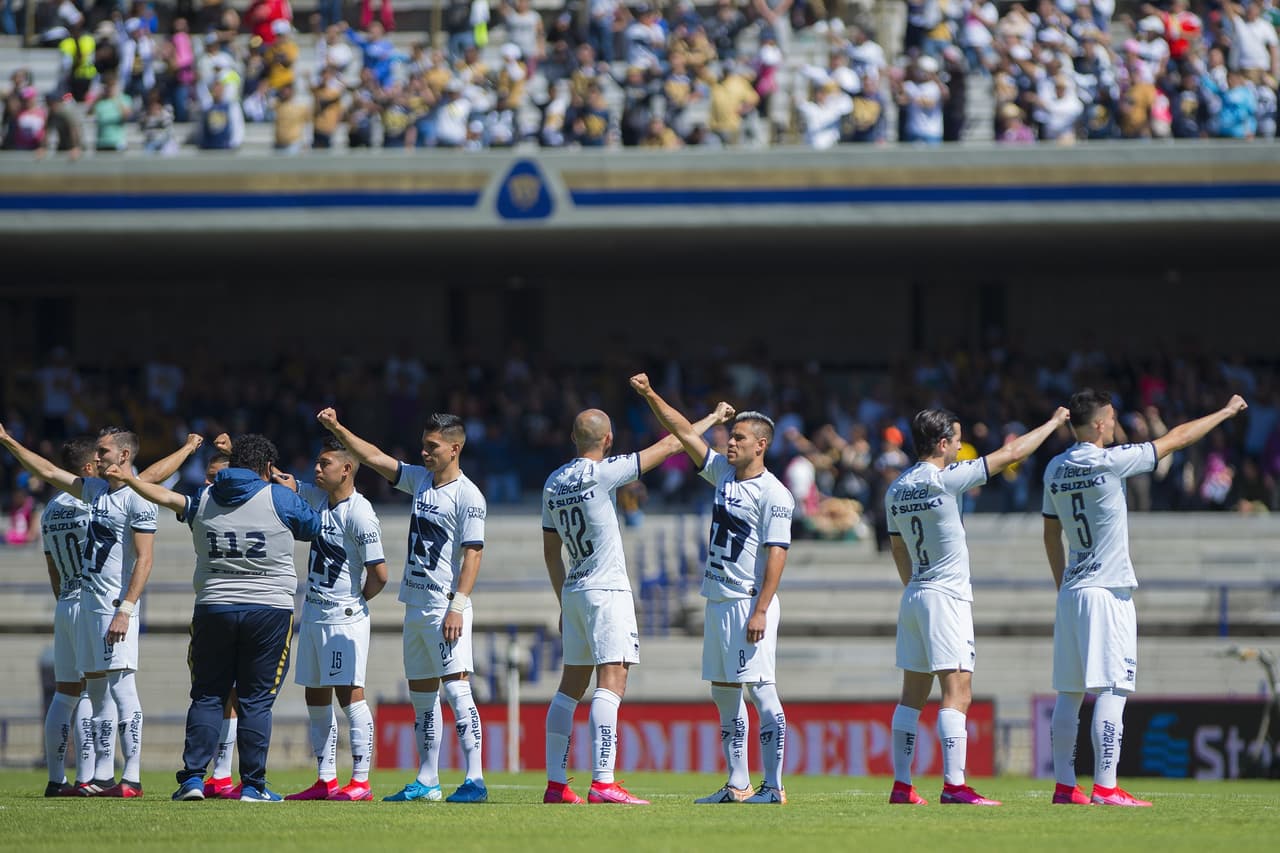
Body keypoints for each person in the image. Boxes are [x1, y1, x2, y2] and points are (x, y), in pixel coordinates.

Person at [1042, 390, 1248, 806]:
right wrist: (1225, 412)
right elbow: (1176, 439)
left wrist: (1063, 583)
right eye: (1113, 417)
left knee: (1068, 692)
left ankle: (1065, 786)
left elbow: (1050, 533)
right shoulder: (1110, 461)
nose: (1116, 424)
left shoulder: (1054, 468)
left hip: (1073, 592)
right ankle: (1105, 787)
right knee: (1113, 690)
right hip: (1108, 592)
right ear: (1099, 424)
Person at [106, 434, 322, 802]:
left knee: (207, 695)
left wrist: (131, 481)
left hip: (213, 607)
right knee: (256, 700)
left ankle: (192, 779)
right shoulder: (279, 497)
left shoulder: (204, 497)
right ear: (267, 468)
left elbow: (168, 498)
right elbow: (313, 528)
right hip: (269, 611)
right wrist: (289, 488)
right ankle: (253, 786)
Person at [541, 400, 734, 805]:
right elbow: (671, 445)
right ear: (608, 439)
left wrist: (562, 600)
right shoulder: (605, 472)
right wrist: (714, 419)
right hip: (607, 590)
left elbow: (549, 551)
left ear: (574, 438)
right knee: (612, 682)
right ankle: (603, 782)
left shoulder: (553, 482)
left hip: (573, 591)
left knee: (569, 689)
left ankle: (557, 784)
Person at [0, 425, 203, 798]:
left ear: (124, 457)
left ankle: (134, 777)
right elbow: (47, 471)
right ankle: (103, 777)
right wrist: (9, 441)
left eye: (104, 452)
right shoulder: (94, 490)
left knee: (123, 690)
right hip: (89, 606)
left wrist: (126, 608)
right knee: (96, 693)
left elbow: (145, 559)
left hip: (114, 606)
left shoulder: (137, 499)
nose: (97, 458)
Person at [885, 406, 1070, 807]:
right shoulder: (947, 480)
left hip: (915, 593)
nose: (960, 446)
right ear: (942, 443)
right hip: (945, 597)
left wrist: (915, 588)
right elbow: (1011, 453)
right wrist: (1054, 424)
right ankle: (954, 785)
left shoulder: (895, 489)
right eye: (956, 439)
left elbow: (898, 549)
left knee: (911, 696)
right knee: (958, 691)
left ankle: (902, 785)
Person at [630, 374, 793, 805]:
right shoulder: (722, 473)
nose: (729, 442)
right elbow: (682, 431)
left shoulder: (774, 493)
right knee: (724, 692)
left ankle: (773, 787)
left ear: (761, 445)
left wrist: (761, 609)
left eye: (738, 437)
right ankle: (737, 784)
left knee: (761, 689)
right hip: (718, 600)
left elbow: (777, 553)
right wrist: (650, 394)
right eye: (729, 435)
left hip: (747, 603)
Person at [317, 408, 489, 804]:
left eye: (432, 447)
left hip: (445, 607)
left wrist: (458, 606)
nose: (424, 453)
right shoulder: (421, 481)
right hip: (415, 605)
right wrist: (338, 429)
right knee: (423, 698)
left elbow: (473, 554)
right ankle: (427, 780)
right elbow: (376, 459)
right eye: (423, 446)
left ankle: (475, 779)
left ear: (455, 448)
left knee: (459, 691)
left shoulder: (468, 495)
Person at [276, 437, 388, 802]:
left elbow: (380, 574)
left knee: (350, 696)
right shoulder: (317, 499)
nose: (317, 468)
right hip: (312, 614)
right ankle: (325, 780)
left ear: (347, 468)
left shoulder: (360, 512)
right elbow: (286, 481)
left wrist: (354, 601)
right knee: (315, 694)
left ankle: (361, 781)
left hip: (344, 618)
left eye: (325, 463)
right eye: (317, 462)